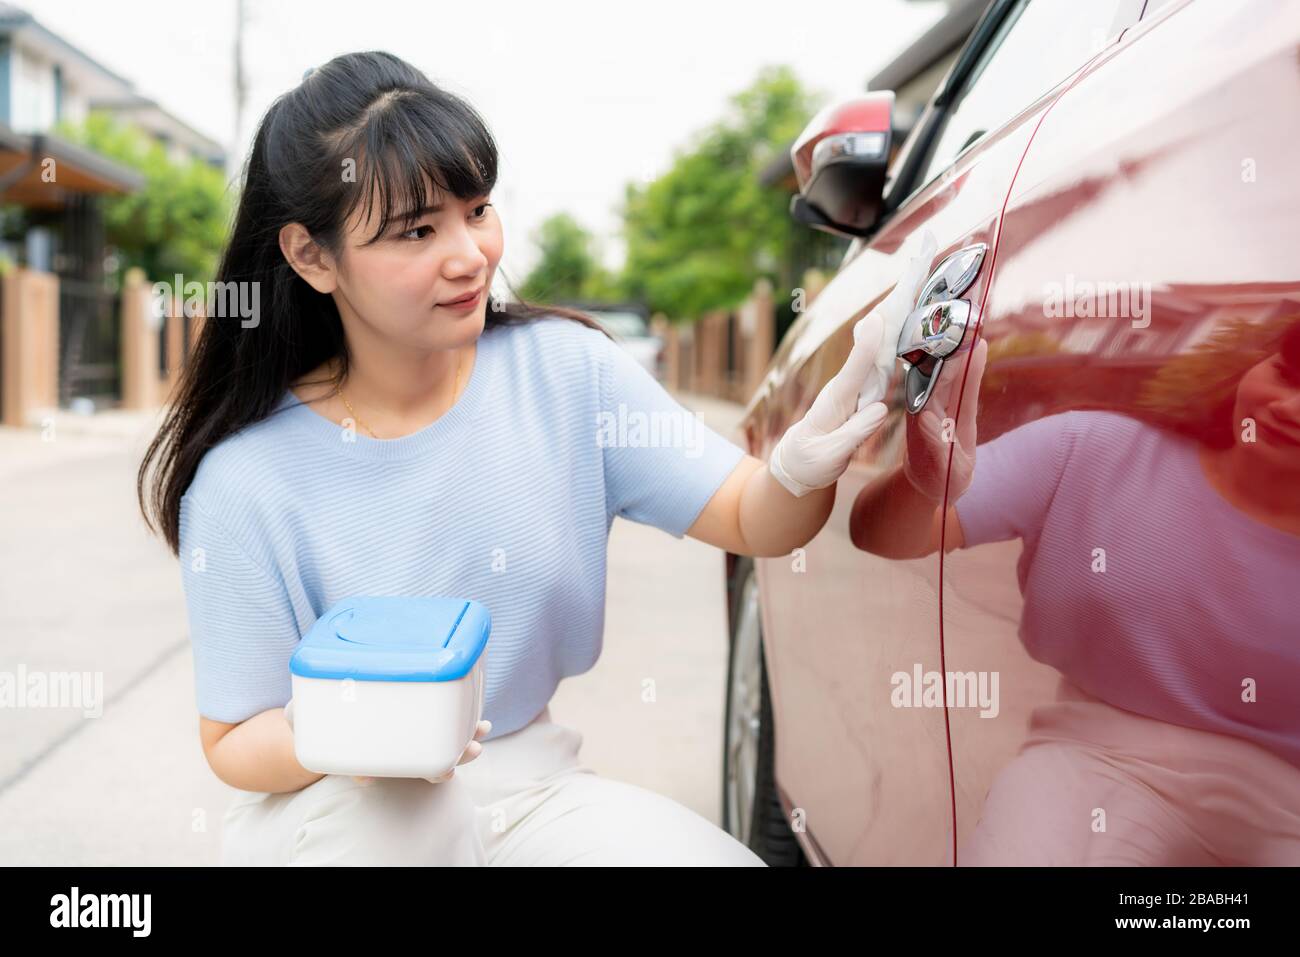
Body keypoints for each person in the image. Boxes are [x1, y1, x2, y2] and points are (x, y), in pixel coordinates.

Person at [137, 50, 930, 866]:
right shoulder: (244, 478)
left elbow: (750, 516)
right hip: (338, 809)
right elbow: (232, 735)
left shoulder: (566, 374)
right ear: (312, 257)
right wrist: (336, 727)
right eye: (417, 230)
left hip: (526, 785)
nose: (469, 254)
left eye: (476, 210)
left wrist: (800, 468)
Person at [851, 319, 1300, 865]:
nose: (1289, 409)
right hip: (1096, 757)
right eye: (1286, 374)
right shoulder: (1093, 451)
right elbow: (880, 535)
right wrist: (922, 483)